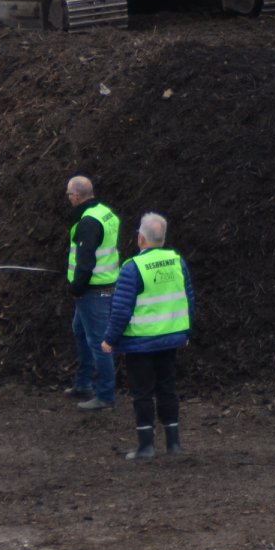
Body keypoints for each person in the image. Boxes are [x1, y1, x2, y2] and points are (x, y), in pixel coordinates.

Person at [101, 212, 195, 460]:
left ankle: (146, 446)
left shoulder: (133, 267)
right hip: (170, 338)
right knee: (167, 387)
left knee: (142, 392)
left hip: (141, 342)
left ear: (141, 238)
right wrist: (185, 331)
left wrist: (110, 339)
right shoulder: (177, 261)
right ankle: (173, 443)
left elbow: (121, 309)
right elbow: (188, 299)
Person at [66, 175, 121, 411]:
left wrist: (76, 288)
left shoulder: (88, 222)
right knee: (80, 331)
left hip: (92, 291)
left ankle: (106, 396)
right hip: (105, 286)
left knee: (99, 343)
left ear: (77, 196)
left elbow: (85, 262)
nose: (68, 199)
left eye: (69, 195)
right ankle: (83, 383)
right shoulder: (105, 212)